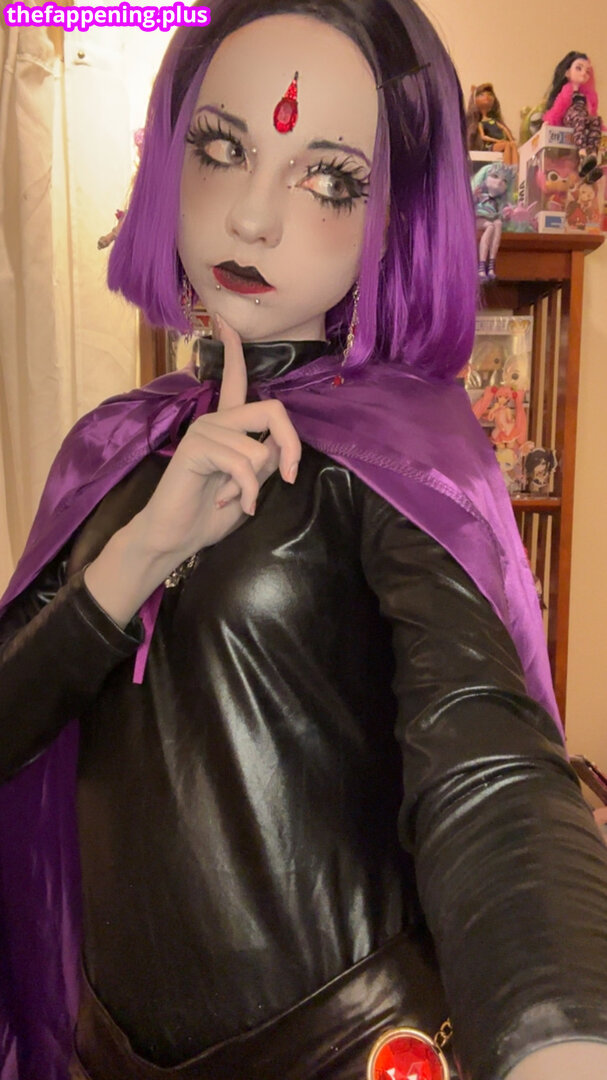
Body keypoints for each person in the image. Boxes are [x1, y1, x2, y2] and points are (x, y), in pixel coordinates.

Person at [2, 3, 607, 1080]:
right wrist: (139, 554)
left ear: (394, 216)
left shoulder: (405, 456)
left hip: (345, 1053)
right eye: (222, 148)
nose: (250, 217)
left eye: (328, 179)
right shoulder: (116, 447)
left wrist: (555, 1032)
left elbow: (486, 758)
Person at [543, 52, 604, 179]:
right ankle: (582, 154)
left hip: (582, 118)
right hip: (571, 117)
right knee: (579, 116)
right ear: (567, 73)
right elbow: (559, 108)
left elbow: (592, 113)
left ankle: (592, 156)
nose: (584, 73)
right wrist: (549, 122)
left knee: (596, 120)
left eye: (587, 71)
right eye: (579, 68)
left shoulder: (589, 95)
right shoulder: (567, 90)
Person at [466, 83, 519, 165]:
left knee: (512, 145)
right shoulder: (480, 124)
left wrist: (511, 140)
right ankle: (507, 168)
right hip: (489, 147)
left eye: (490, 94)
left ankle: (515, 168)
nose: (487, 97)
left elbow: (505, 129)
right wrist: (497, 141)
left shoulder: (495, 121)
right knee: (506, 145)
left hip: (500, 144)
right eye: (481, 95)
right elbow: (483, 137)